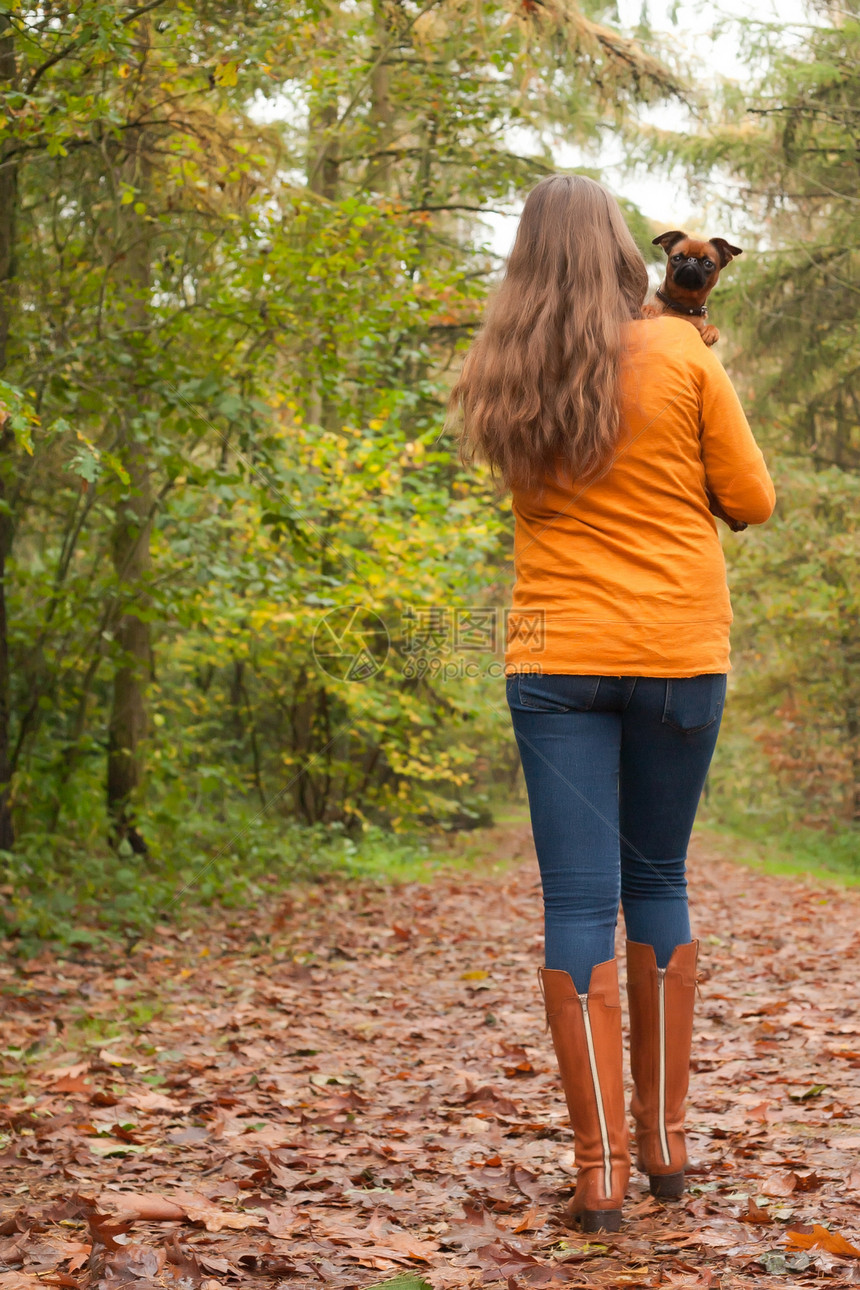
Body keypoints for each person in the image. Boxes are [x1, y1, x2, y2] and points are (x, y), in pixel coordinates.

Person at [449, 174, 775, 1233]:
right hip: (677, 649)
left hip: (551, 658)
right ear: (626, 258)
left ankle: (597, 1175)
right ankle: (666, 1150)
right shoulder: (679, 353)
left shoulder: (507, 366)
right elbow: (752, 503)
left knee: (576, 905)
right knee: (656, 880)